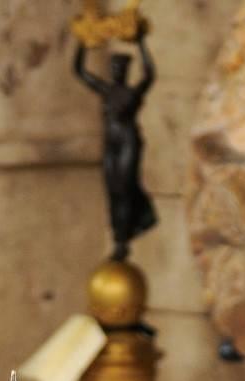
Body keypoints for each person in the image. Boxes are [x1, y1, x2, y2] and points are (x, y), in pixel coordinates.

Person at [74, 36, 158, 259]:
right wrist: (82, 41)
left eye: (120, 67)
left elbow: (149, 74)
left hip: (128, 141)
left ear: (126, 69)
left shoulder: (132, 92)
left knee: (125, 187)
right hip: (111, 142)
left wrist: (141, 43)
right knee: (112, 190)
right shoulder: (106, 90)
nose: (116, 70)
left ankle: (123, 239)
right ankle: (119, 236)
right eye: (113, 67)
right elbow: (80, 71)